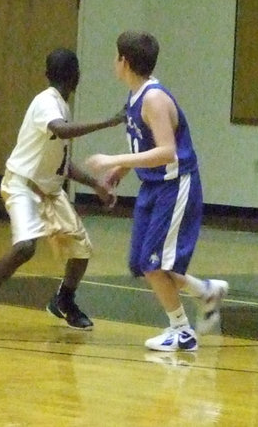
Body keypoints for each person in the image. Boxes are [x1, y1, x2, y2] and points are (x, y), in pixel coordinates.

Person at [0, 48, 123, 335]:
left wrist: (96, 185)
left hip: (49, 190)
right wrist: (108, 122)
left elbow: (62, 164)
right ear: (76, 77)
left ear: (47, 74)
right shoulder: (47, 103)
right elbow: (62, 130)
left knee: (81, 249)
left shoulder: (61, 106)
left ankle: (63, 301)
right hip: (23, 185)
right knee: (25, 247)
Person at [86, 31, 229, 353]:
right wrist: (119, 172)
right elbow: (143, 141)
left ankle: (182, 331)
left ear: (124, 61)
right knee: (142, 262)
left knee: (155, 263)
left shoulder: (154, 99)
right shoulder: (136, 96)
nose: (114, 62)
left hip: (175, 186)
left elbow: (167, 151)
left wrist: (114, 159)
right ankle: (204, 291)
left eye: (115, 56)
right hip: (152, 186)